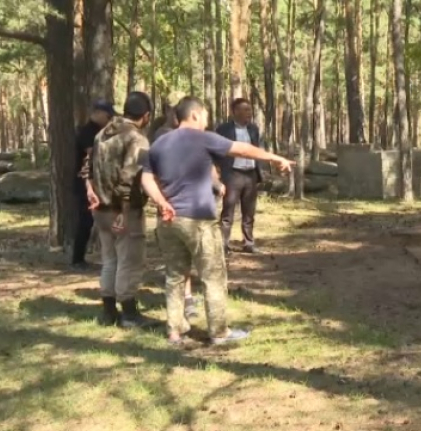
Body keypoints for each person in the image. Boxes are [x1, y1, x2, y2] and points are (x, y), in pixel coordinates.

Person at [141, 96, 293, 345]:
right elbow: (241, 149)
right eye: (205, 116)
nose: (207, 121)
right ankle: (219, 331)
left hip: (168, 221)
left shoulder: (157, 143)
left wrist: (161, 202)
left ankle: (175, 330)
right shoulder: (202, 137)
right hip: (198, 219)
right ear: (195, 115)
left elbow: (146, 179)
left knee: (175, 275)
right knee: (213, 276)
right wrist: (274, 158)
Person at [85, 92, 156, 327]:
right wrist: (125, 214)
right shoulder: (137, 139)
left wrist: (91, 189)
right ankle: (128, 313)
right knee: (129, 260)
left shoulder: (101, 134)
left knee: (109, 259)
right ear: (146, 116)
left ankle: (108, 311)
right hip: (124, 211)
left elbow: (87, 167)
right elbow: (129, 178)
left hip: (101, 208)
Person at [150, 91, 200, 319]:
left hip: (188, 202)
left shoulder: (190, 135)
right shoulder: (161, 135)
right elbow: (152, 174)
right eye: (173, 108)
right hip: (170, 202)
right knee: (177, 260)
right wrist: (161, 200)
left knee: (184, 257)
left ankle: (184, 304)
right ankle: (184, 303)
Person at [216, 98, 264, 255]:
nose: (249, 113)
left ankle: (249, 243)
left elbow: (257, 150)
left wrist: (259, 173)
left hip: (250, 174)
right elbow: (217, 151)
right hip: (232, 174)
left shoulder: (254, 129)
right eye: (245, 110)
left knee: (249, 212)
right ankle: (223, 244)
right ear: (235, 112)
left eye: (250, 110)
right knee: (228, 211)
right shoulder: (223, 129)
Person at [72, 100, 116, 271]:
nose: (109, 118)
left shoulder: (100, 131)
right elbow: (95, 153)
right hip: (84, 182)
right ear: (97, 113)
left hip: (98, 182)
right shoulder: (87, 132)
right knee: (85, 221)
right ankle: (77, 259)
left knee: (96, 220)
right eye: (107, 115)